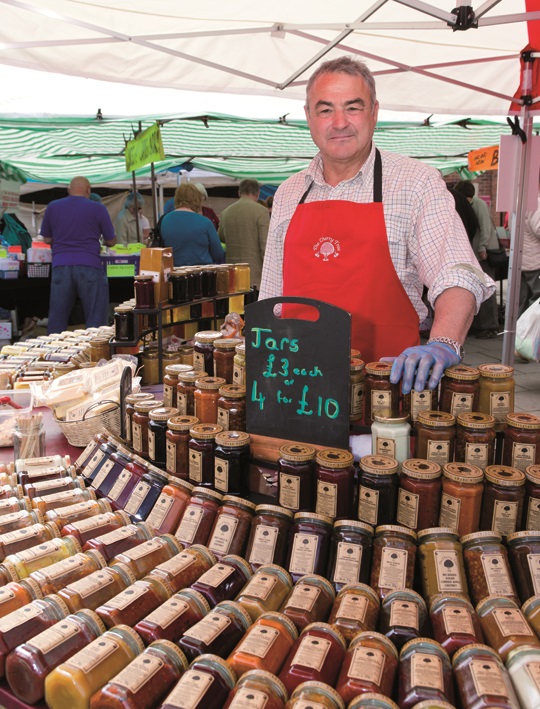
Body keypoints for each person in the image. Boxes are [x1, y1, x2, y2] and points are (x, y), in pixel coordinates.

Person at [259, 57, 495, 395]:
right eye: (325, 110)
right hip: (297, 391)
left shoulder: (415, 182)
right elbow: (273, 298)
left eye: (352, 108)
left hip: (388, 390)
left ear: (374, 112)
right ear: (309, 117)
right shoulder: (289, 193)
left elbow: (456, 272)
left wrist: (443, 343)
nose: (339, 122)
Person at [40, 175, 116, 334]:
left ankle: (53, 354)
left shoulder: (53, 207)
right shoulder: (98, 208)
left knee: (57, 318)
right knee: (96, 320)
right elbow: (111, 241)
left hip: (61, 266)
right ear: (89, 190)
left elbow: (47, 238)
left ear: (69, 190)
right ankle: (94, 354)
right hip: (90, 265)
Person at [454, 180, 501, 339]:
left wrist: (482, 248)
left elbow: (485, 227)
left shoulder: (479, 204)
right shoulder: (472, 204)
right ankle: (479, 324)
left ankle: (490, 325)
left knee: (487, 289)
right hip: (477, 252)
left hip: (484, 253)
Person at [218, 179, 270, 288]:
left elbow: (221, 237)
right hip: (254, 276)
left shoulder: (226, 212)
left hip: (232, 275)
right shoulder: (262, 212)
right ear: (258, 193)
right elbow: (265, 246)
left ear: (239, 192)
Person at [160, 183, 225, 266]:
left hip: (174, 273)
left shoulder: (165, 220)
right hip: (201, 273)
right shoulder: (205, 222)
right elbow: (218, 254)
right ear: (197, 200)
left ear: (176, 198)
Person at [519, 192, 540, 316]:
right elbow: (538, 229)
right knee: (536, 300)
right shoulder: (535, 202)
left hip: (523, 259)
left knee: (522, 301)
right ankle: (533, 333)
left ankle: (520, 333)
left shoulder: (519, 202)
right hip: (535, 260)